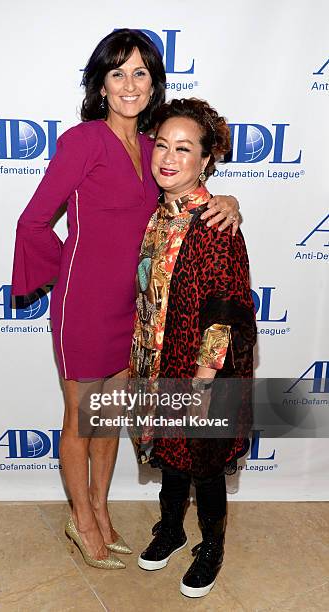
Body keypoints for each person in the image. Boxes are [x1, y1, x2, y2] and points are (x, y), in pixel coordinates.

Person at [11, 29, 240, 570]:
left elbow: (187, 192)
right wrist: (68, 270)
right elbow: (33, 221)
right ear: (102, 84)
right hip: (84, 305)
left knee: (108, 419)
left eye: (141, 72)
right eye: (118, 73)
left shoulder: (153, 146)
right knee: (79, 419)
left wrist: (228, 198)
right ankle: (82, 521)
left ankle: (103, 511)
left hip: (134, 311)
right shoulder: (81, 142)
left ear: (154, 82)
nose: (130, 84)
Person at [129, 97, 256, 595]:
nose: (168, 157)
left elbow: (226, 313)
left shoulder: (215, 225)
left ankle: (212, 546)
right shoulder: (158, 213)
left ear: (206, 160)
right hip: (155, 362)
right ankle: (172, 530)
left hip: (199, 371)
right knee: (170, 452)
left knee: (203, 463)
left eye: (184, 149)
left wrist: (204, 382)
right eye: (161, 145)